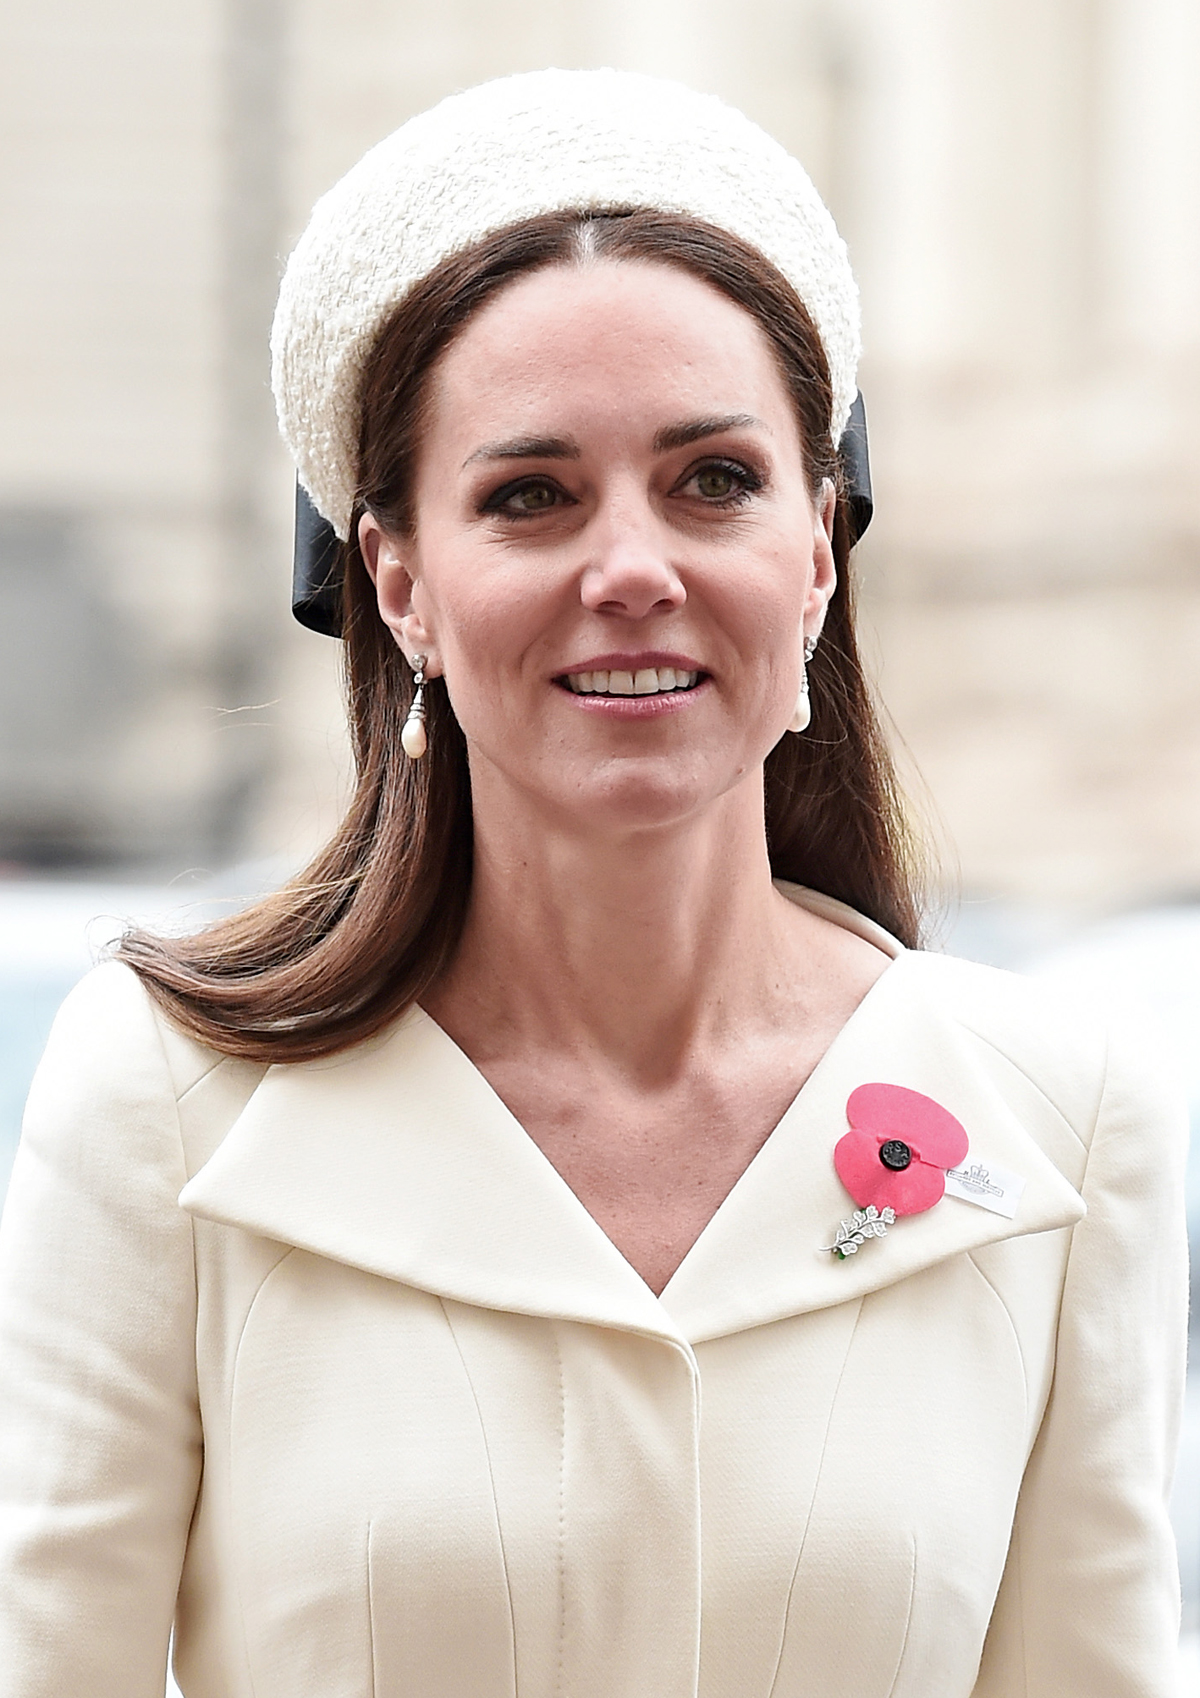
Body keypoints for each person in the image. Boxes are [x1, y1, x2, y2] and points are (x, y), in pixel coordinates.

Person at [0, 68, 1187, 1698]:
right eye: (530, 495)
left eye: (714, 480)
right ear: (400, 583)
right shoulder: (165, 1102)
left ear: (820, 554)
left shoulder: (1061, 1121)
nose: (634, 569)